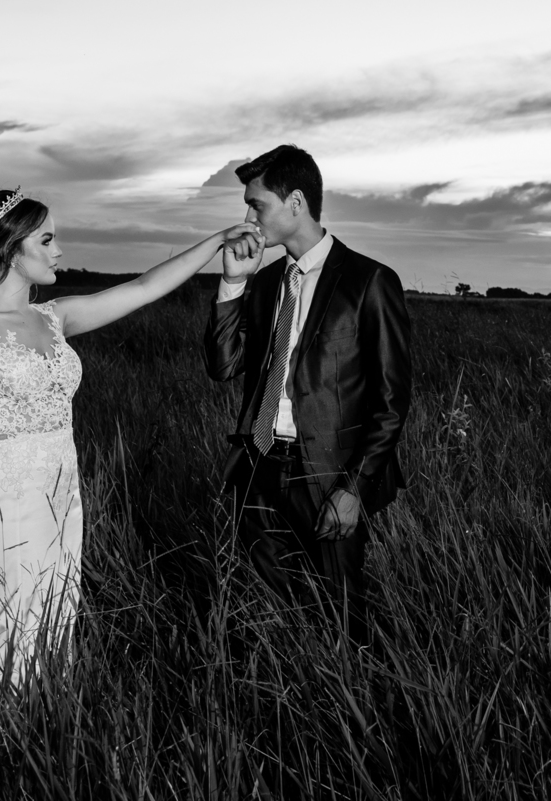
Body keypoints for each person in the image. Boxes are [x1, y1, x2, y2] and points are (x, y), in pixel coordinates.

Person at [0, 187, 259, 729]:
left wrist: (218, 242)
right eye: (47, 240)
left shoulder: (54, 318)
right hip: (3, 496)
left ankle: (24, 724)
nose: (58, 251)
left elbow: (146, 287)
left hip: (60, 491)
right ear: (10, 250)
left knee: (51, 611)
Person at [205, 145, 412, 644]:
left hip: (328, 474)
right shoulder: (268, 280)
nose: (248, 217)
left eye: (258, 204)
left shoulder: (369, 281)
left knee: (341, 611)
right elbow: (224, 365)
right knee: (273, 611)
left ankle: (352, 704)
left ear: (296, 202)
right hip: (259, 464)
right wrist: (233, 284)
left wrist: (354, 489)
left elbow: (392, 401)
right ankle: (288, 702)